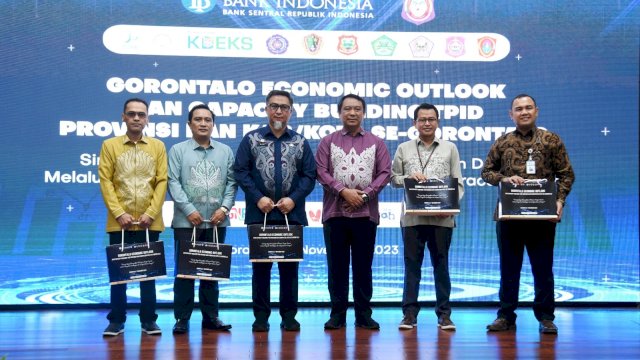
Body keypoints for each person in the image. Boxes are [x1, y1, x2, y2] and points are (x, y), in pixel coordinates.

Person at [481, 94, 575, 334]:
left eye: (528, 108)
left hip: (542, 218)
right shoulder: (502, 142)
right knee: (509, 269)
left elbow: (566, 174)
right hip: (510, 217)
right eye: (518, 109)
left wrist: (560, 200)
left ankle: (545, 317)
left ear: (536, 111)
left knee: (542, 268)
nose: (524, 112)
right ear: (510, 114)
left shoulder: (551, 140)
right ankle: (506, 316)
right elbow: (486, 172)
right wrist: (504, 178)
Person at [233, 90, 316, 332]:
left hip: (292, 215)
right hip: (262, 215)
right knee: (261, 270)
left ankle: (289, 316)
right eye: (274, 106)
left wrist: (294, 198)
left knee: (290, 270)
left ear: (291, 111)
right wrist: (258, 198)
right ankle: (261, 317)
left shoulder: (300, 141)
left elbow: (310, 175)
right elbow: (241, 171)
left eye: (283, 107)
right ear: (266, 109)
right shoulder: (251, 139)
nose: (278, 111)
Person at [315, 94, 391, 330]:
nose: (352, 113)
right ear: (340, 113)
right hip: (334, 214)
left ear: (363, 113)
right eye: (347, 109)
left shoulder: (376, 142)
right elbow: (321, 171)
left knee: (362, 266)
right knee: (336, 267)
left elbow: (385, 173)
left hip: (365, 215)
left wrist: (364, 195)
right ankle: (337, 314)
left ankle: (363, 315)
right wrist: (343, 191)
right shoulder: (327, 141)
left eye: (357, 109)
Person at [390, 103, 464, 331]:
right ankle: (409, 315)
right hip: (412, 219)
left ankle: (444, 315)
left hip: (442, 219)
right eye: (422, 120)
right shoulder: (403, 148)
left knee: (441, 266)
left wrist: (450, 206)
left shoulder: (450, 148)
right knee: (412, 267)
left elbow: (458, 182)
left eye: (431, 119)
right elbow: (393, 178)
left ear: (438, 121)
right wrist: (408, 178)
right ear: (414, 123)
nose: (427, 123)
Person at [99, 98, 167, 336]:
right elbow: (106, 181)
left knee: (149, 273)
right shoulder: (110, 145)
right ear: (123, 117)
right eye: (132, 114)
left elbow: (162, 181)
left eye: (141, 114)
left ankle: (149, 320)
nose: (136, 118)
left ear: (147, 118)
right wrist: (119, 213)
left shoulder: (158, 146)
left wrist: (151, 213)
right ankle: (116, 320)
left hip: (150, 222)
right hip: (119, 222)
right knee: (119, 275)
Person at [168, 104, 237, 334]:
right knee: (185, 273)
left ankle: (211, 316)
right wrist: (188, 210)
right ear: (189, 124)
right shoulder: (178, 150)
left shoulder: (225, 151)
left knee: (211, 271)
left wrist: (225, 208)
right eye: (198, 119)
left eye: (208, 119)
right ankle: (182, 318)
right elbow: (173, 182)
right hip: (187, 222)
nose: (203, 123)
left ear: (213, 124)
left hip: (217, 222)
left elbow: (231, 182)